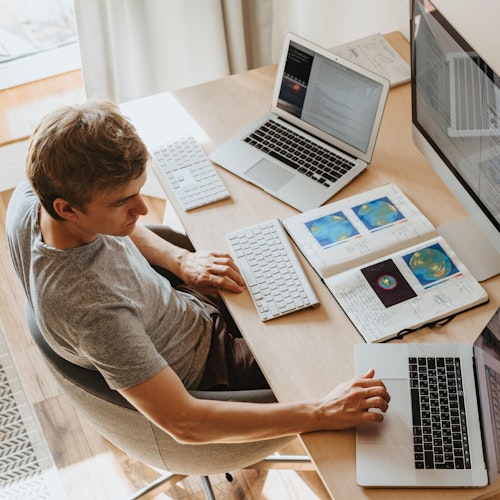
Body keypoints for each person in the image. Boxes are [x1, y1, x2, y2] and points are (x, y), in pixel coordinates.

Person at [6, 100, 390, 445]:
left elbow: (113, 217)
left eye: (140, 191)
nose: (141, 210)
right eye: (123, 202)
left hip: (183, 308)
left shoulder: (34, 195)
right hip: (212, 371)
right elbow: (185, 422)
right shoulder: (92, 312)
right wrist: (321, 413)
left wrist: (179, 261)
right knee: (355, 357)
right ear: (67, 208)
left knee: (313, 272)